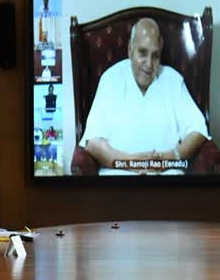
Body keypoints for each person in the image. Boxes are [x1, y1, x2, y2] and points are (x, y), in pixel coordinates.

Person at [79, 17, 209, 175]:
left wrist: (171, 157)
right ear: (130, 50)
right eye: (142, 53)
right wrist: (131, 163)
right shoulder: (110, 79)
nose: (149, 63)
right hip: (117, 183)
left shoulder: (173, 80)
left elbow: (198, 130)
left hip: (168, 183)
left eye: (155, 56)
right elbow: (93, 142)